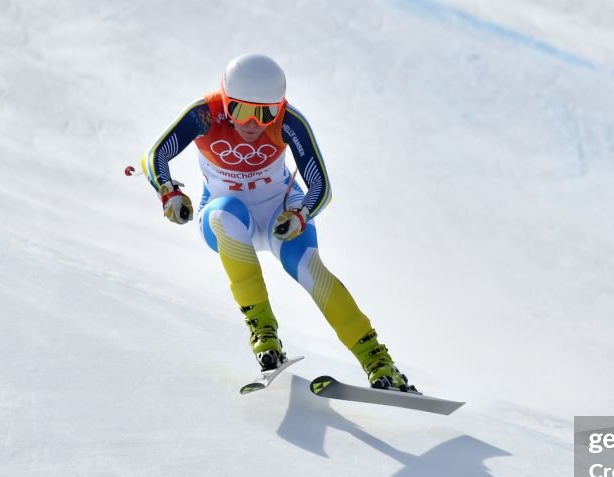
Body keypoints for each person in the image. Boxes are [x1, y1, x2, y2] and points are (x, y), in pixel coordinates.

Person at [140, 53, 415, 392]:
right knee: (224, 214)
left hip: (280, 213)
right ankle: (264, 334)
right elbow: (155, 154)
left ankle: (379, 362)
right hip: (227, 214)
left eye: (266, 112)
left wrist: (300, 214)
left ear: (279, 107)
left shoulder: (288, 121)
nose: (254, 123)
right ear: (225, 102)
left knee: (310, 269)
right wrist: (168, 192)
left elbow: (321, 185)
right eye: (240, 110)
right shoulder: (204, 114)